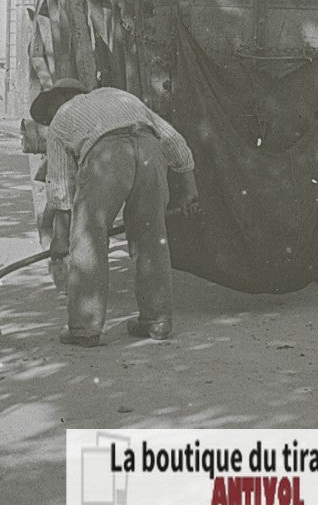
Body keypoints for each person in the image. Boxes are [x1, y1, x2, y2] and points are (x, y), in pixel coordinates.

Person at [29, 79, 199, 347]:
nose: (50, 118)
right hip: (150, 149)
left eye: (49, 111)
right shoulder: (118, 95)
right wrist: (190, 188)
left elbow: (61, 184)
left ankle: (85, 327)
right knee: (151, 236)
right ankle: (157, 320)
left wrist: (61, 237)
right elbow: (173, 139)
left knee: (88, 236)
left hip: (107, 155)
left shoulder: (61, 117)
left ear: (60, 99)